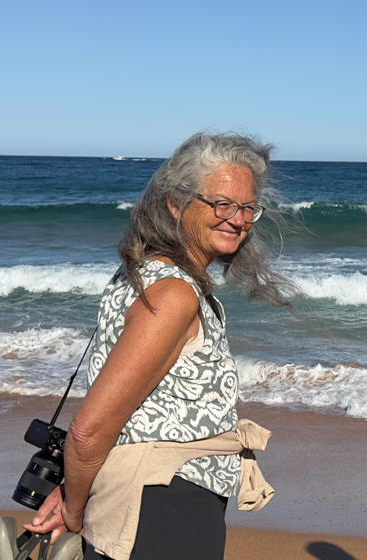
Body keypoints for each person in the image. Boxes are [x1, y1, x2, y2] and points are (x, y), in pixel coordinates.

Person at [24, 132, 300, 560]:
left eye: (248, 208)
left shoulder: (140, 274)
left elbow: (129, 416)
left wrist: (73, 490)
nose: (238, 219)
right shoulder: (174, 294)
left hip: (151, 498)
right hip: (164, 505)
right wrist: (76, 508)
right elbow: (90, 429)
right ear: (175, 203)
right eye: (221, 203)